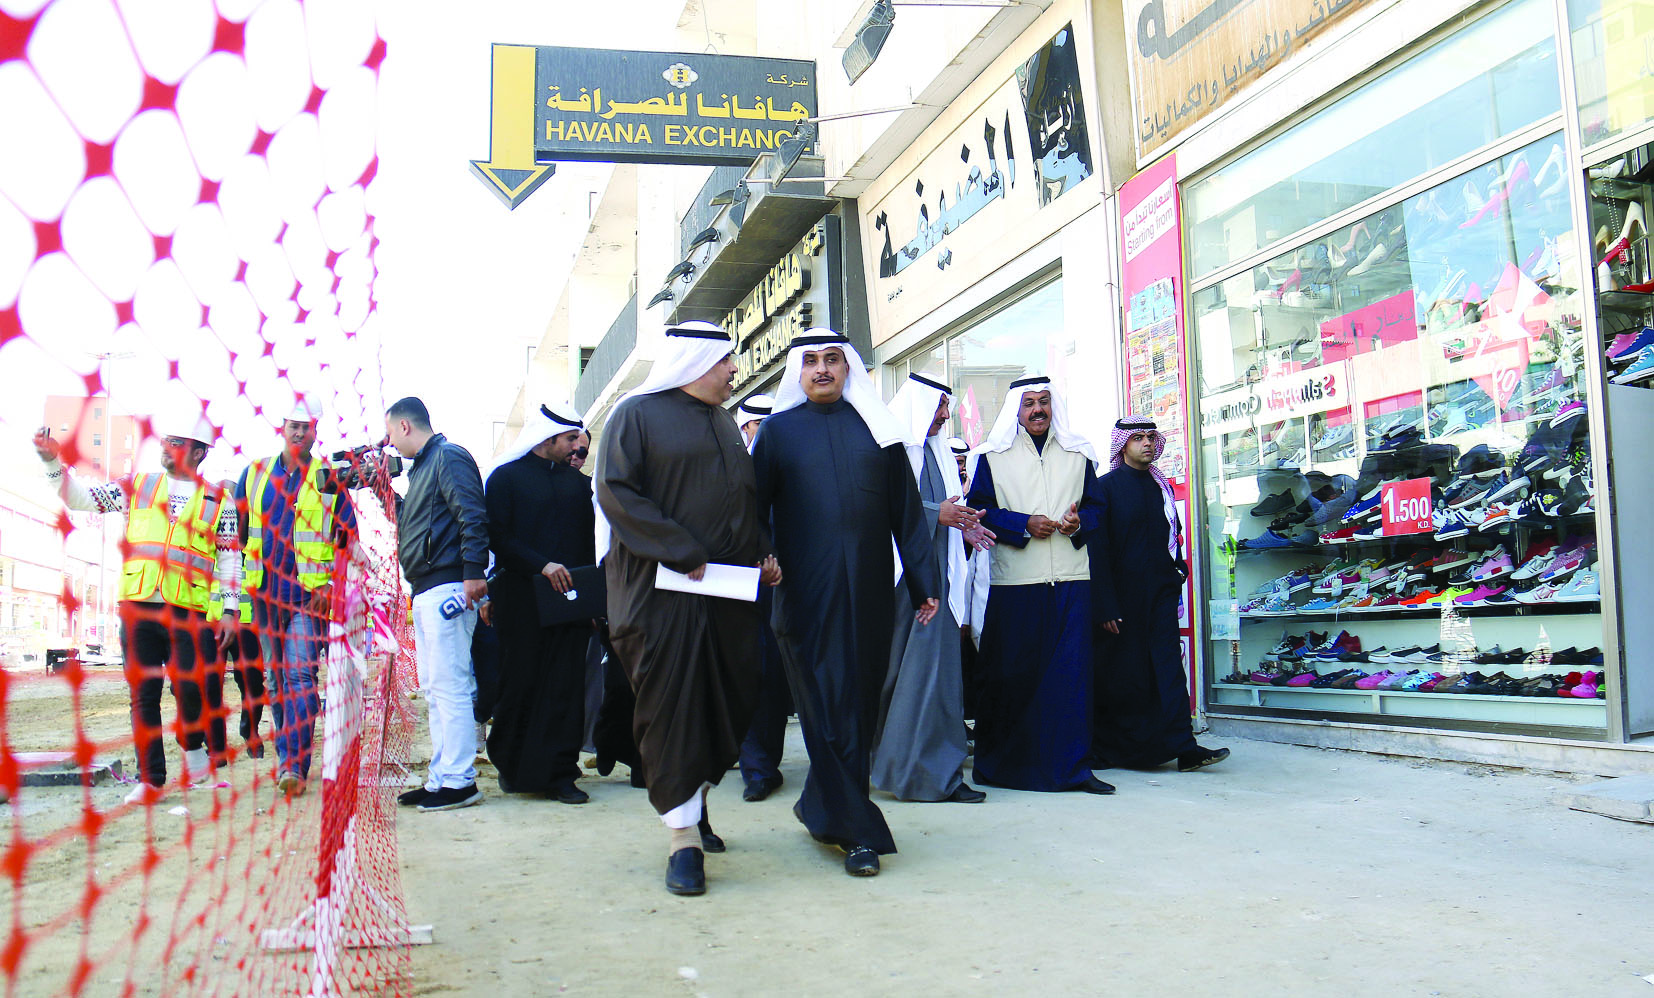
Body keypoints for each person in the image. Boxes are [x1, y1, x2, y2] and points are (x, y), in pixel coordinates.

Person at [596, 321, 781, 897]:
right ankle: (682, 842)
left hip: (725, 596)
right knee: (674, 707)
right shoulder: (636, 414)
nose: (733, 371)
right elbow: (617, 492)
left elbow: (739, 505)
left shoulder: (724, 422)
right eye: (727, 361)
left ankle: (693, 802)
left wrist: (760, 558)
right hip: (660, 596)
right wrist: (681, 551)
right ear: (697, 361)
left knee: (724, 700)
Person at [753, 330, 940, 877]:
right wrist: (761, 556)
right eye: (809, 362)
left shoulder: (878, 431)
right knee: (821, 704)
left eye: (832, 360)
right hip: (803, 596)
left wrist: (926, 583)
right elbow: (752, 509)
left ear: (848, 367)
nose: (821, 371)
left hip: (870, 593)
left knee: (856, 705)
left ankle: (823, 804)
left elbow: (906, 514)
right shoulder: (778, 433)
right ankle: (858, 831)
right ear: (798, 372)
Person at [36, 412, 239, 804]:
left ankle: (194, 748)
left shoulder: (218, 500)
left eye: (177, 443)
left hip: (188, 609)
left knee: (190, 688)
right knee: (143, 693)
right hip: (138, 605)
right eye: (166, 440)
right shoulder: (138, 486)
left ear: (198, 453)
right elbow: (80, 498)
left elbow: (230, 559)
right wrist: (50, 462)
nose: (166, 447)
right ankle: (151, 780)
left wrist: (229, 610)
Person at [965, 376, 1113, 795]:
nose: (1037, 410)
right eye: (1028, 403)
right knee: (1014, 676)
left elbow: (1097, 508)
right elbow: (980, 510)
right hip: (1017, 582)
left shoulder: (1077, 453)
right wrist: (1022, 524)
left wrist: (1078, 521)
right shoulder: (992, 457)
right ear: (1017, 410)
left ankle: (1073, 769)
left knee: (1071, 677)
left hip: (1071, 579)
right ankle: (1005, 767)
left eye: (1044, 402)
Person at [871, 374, 993, 804]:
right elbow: (875, 507)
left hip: (935, 580)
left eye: (947, 406)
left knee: (933, 678)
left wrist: (965, 528)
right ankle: (906, 768)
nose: (945, 414)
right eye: (940, 406)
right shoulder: (888, 447)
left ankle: (930, 773)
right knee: (901, 678)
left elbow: (946, 512)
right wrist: (934, 514)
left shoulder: (937, 452)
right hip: (904, 583)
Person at [1086, 416, 1230, 773]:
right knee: (1126, 676)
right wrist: (1105, 605)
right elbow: (1097, 553)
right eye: (1138, 438)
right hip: (1121, 602)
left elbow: (1172, 537)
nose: (1147, 443)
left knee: (1168, 671)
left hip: (1160, 597)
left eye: (1152, 437)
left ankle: (1184, 747)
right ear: (1123, 445)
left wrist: (1177, 571)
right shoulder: (1105, 489)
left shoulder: (1159, 488)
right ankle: (1120, 750)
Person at [235, 398, 357, 797]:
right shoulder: (253, 476)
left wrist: (329, 586)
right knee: (275, 679)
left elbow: (346, 538)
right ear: (282, 427)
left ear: (315, 430)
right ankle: (291, 755)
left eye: (306, 427)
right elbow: (238, 536)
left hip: (308, 596)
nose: (299, 432)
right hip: (265, 596)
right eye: (293, 425)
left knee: (301, 676)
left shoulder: (329, 477)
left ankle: (293, 765)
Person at [482, 403, 595, 803]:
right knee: (521, 683)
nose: (574, 448)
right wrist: (542, 565)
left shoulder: (580, 485)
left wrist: (592, 602)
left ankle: (560, 774)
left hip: (568, 603)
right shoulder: (505, 480)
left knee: (565, 687)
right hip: (521, 599)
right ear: (546, 439)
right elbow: (497, 536)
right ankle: (513, 768)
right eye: (568, 440)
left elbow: (588, 546)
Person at [386, 397, 491, 813]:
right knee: (435, 685)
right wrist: (383, 494)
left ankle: (460, 780)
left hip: (449, 584)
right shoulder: (425, 468)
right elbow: (416, 522)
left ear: (405, 426)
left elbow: (472, 513)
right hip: (431, 586)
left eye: (391, 433)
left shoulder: (447, 457)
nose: (390, 444)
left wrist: (473, 572)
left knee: (449, 685)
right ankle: (443, 777)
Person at [731, 392, 791, 802]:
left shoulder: (791, 457)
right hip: (742, 584)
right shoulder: (732, 463)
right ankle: (758, 769)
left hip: (794, 582)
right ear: (746, 428)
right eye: (758, 424)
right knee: (755, 675)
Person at [207, 589, 263, 759]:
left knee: (253, 682)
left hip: (247, 621)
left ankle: (250, 730)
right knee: (210, 684)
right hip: (210, 619)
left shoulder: (253, 560)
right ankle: (215, 744)